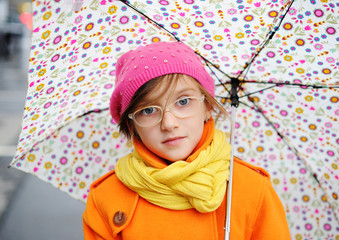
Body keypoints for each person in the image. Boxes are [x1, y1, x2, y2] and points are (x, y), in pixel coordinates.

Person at [83, 41, 291, 239]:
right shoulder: (106, 199)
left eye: (183, 101)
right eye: (148, 110)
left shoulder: (251, 188)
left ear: (207, 107)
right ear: (131, 125)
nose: (169, 123)